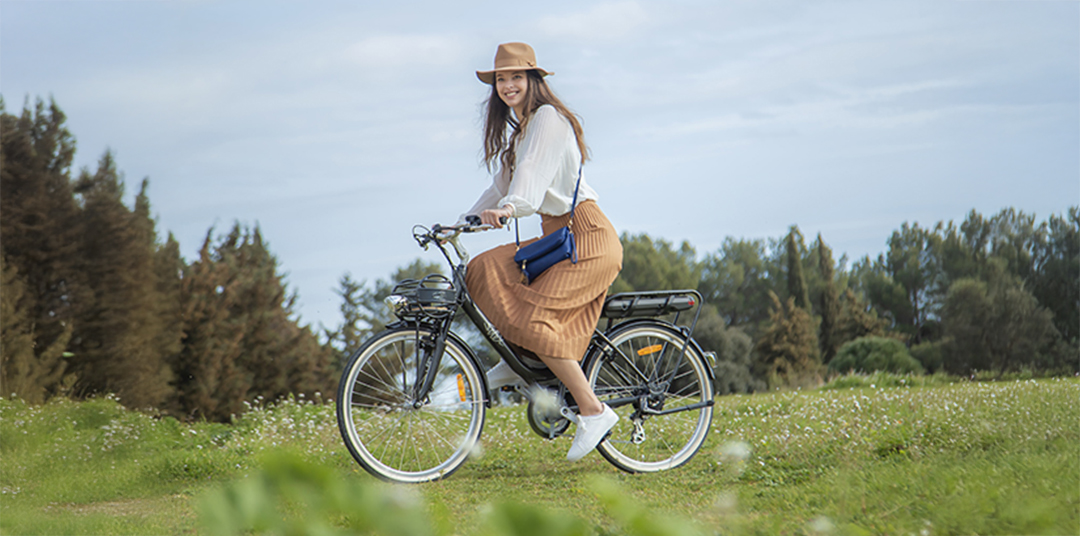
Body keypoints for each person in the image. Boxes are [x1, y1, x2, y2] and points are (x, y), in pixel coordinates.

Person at [458, 42, 623, 462]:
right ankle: (521, 358)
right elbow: (500, 186)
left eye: (516, 76)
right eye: (501, 79)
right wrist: (462, 222)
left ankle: (593, 410)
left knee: (536, 317)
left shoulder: (548, 119)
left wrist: (510, 209)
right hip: (557, 239)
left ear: (534, 80)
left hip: (587, 237)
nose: (508, 85)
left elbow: (527, 182)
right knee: (484, 268)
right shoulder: (522, 132)